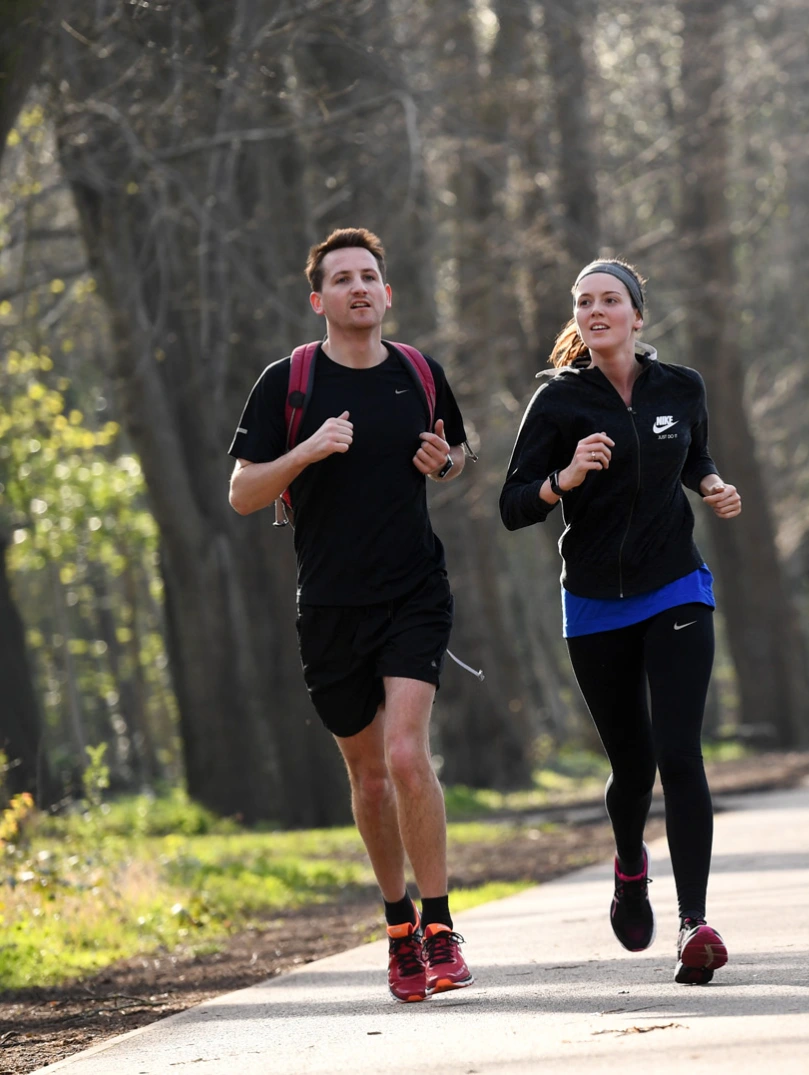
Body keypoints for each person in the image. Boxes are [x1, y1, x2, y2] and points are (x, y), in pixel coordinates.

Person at [228, 227, 474, 1003]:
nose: (358, 288)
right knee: (368, 778)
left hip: (414, 591)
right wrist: (304, 452)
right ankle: (398, 924)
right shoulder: (288, 381)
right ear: (319, 300)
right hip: (331, 604)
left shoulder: (418, 372)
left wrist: (448, 462)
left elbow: (457, 451)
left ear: (387, 292)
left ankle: (439, 927)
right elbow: (242, 492)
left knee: (406, 754)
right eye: (342, 279)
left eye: (370, 276)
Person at [499, 259, 742, 985]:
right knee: (631, 766)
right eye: (584, 302)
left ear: (638, 314)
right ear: (575, 319)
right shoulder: (556, 403)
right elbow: (513, 505)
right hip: (595, 602)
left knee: (678, 752)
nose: (596, 310)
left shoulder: (681, 386)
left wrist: (711, 483)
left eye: (609, 300)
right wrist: (562, 479)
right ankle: (629, 865)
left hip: (674, 586)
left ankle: (693, 922)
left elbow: (693, 453)